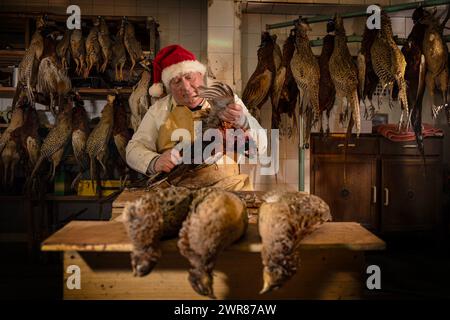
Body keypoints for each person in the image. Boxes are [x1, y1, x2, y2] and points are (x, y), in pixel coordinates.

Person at [126, 45, 267, 190]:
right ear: (168, 86)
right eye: (176, 81)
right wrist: (154, 162)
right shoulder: (158, 110)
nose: (186, 87)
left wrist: (243, 122)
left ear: (201, 75)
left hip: (229, 189)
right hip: (176, 193)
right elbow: (133, 149)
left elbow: (262, 146)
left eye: (189, 77)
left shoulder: (227, 102)